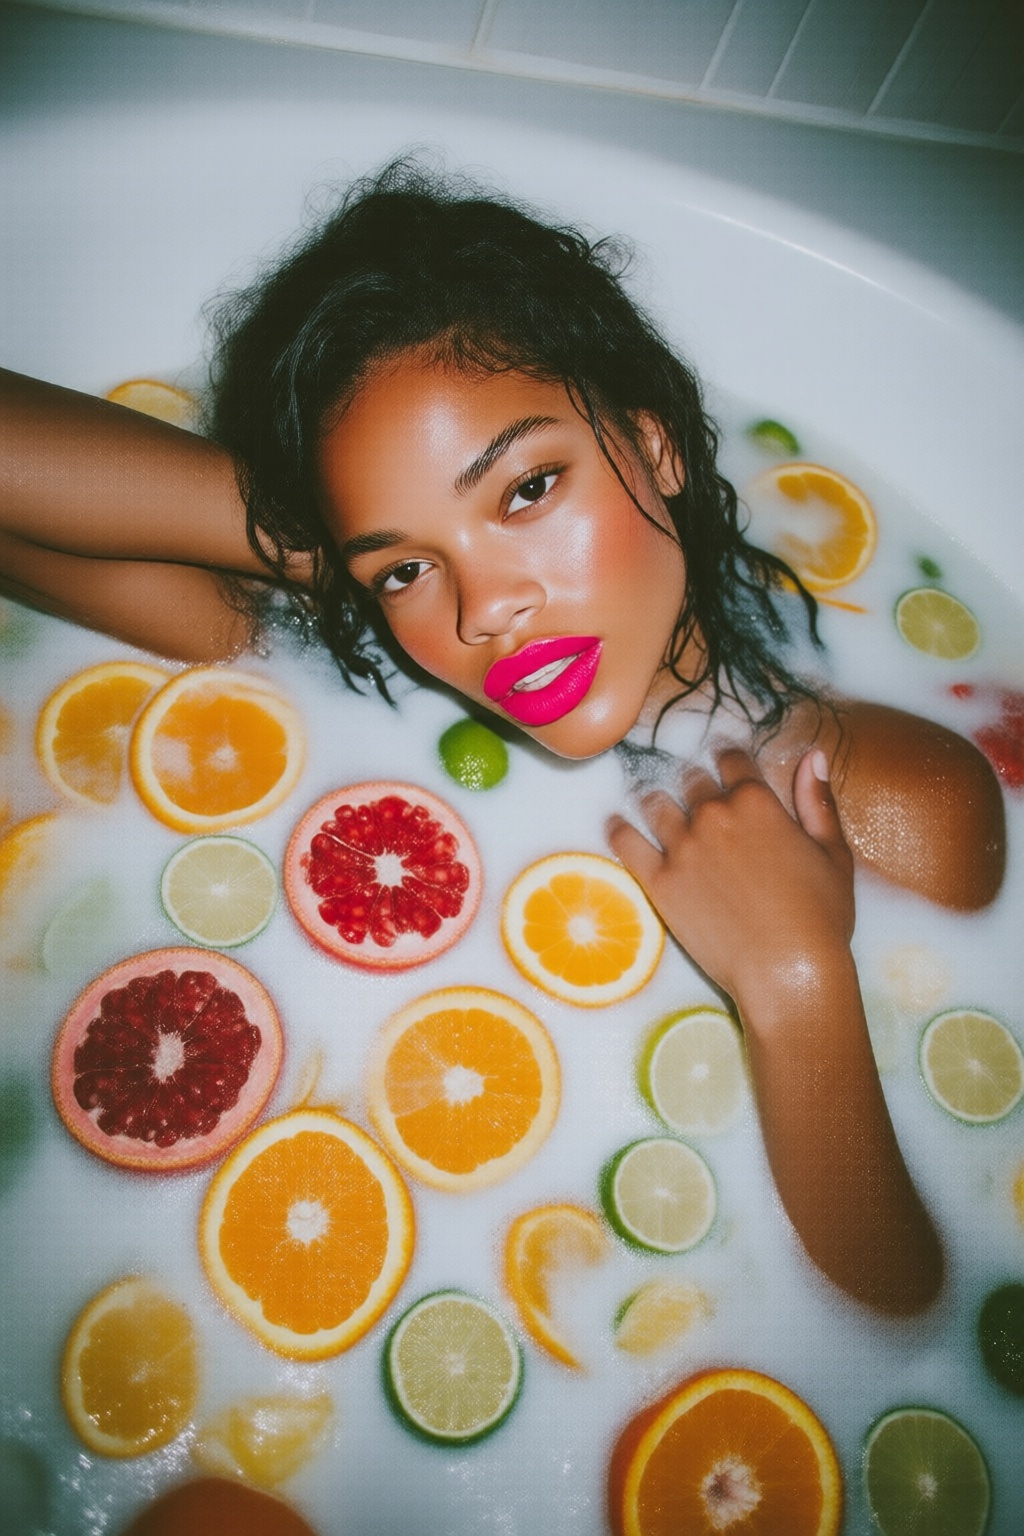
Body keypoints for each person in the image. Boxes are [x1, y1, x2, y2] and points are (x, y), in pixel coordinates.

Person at [0, 161, 1006, 1316]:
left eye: (526, 489)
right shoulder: (370, 661)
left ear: (651, 442)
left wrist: (795, 983)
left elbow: (910, 1325)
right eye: (413, 565)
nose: (485, 612)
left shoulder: (895, 796)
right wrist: (335, 556)